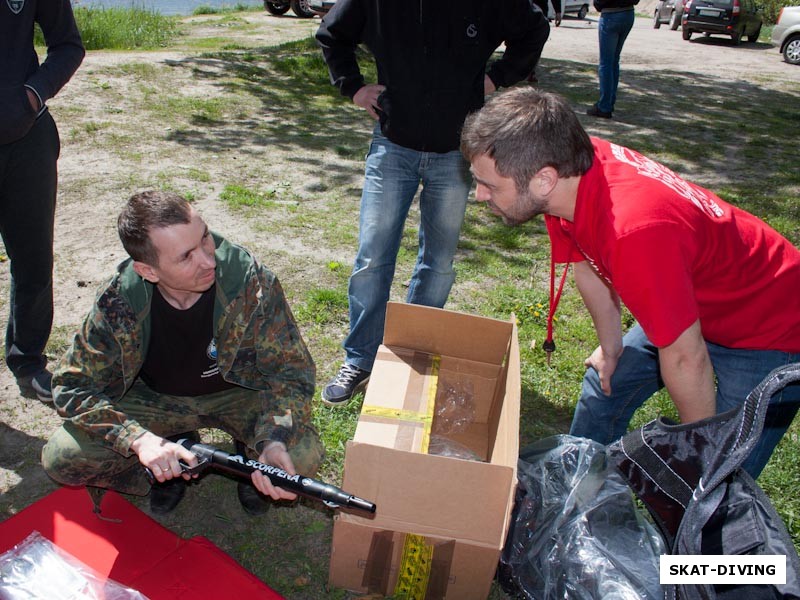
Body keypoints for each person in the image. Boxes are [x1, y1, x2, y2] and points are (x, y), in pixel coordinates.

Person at [460, 87, 800, 478]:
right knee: (602, 388)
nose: (480, 195)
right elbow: (587, 265)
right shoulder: (568, 177)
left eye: (490, 184)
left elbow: (686, 357)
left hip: (771, 326)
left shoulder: (634, 232)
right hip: (691, 299)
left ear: (543, 179)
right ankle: (576, 493)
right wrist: (611, 347)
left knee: (719, 476)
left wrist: (700, 458)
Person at [315, 0, 550, 405]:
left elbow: (534, 28)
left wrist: (494, 79)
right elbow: (333, 34)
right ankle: (361, 357)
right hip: (393, 145)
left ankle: (412, 352)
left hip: (455, 151)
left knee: (438, 262)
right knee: (372, 257)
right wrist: (353, 88)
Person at [42, 191, 324, 515]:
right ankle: (162, 464)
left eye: (205, 237)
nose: (208, 260)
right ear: (148, 271)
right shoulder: (120, 300)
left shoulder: (249, 281)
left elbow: (291, 372)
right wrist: (139, 441)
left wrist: (272, 439)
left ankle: (249, 460)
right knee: (64, 456)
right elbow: (71, 385)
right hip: (156, 398)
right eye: (186, 257)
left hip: (239, 393)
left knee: (301, 457)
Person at [1, 0, 84, 403]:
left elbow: (68, 45)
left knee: (34, 258)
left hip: (27, 136)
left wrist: (32, 96)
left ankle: (28, 358)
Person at [586, 0, 638, 118]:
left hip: (611, 15)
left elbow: (599, 2)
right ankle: (609, 101)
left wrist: (598, 5)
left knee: (606, 63)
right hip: (628, 13)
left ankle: (604, 106)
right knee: (614, 61)